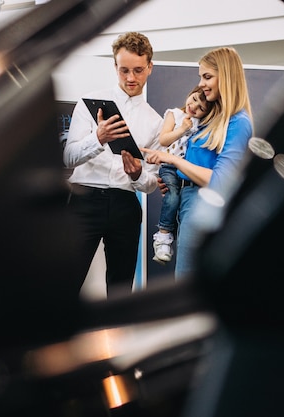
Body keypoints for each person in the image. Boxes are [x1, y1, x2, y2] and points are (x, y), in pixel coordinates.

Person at [63, 32, 163, 298]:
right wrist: (98, 138)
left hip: (125, 205)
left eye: (138, 70)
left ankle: (116, 338)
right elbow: (68, 157)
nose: (131, 78)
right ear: (115, 67)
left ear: (150, 67)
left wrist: (138, 173)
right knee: (64, 282)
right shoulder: (88, 102)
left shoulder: (156, 122)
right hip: (83, 199)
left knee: (120, 288)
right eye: (124, 70)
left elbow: (152, 183)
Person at [142, 46, 254, 279]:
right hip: (188, 202)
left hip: (202, 206)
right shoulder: (211, 119)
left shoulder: (238, 122)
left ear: (226, 76)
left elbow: (221, 180)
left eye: (207, 76)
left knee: (187, 281)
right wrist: (177, 181)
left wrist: (171, 159)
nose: (201, 84)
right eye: (201, 77)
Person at [152, 86, 214, 265]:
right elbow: (164, 140)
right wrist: (182, 129)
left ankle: (172, 239)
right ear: (190, 93)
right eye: (194, 99)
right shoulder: (174, 114)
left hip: (187, 173)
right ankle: (163, 236)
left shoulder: (200, 124)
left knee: (180, 203)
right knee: (171, 197)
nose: (194, 107)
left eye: (201, 107)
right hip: (169, 167)